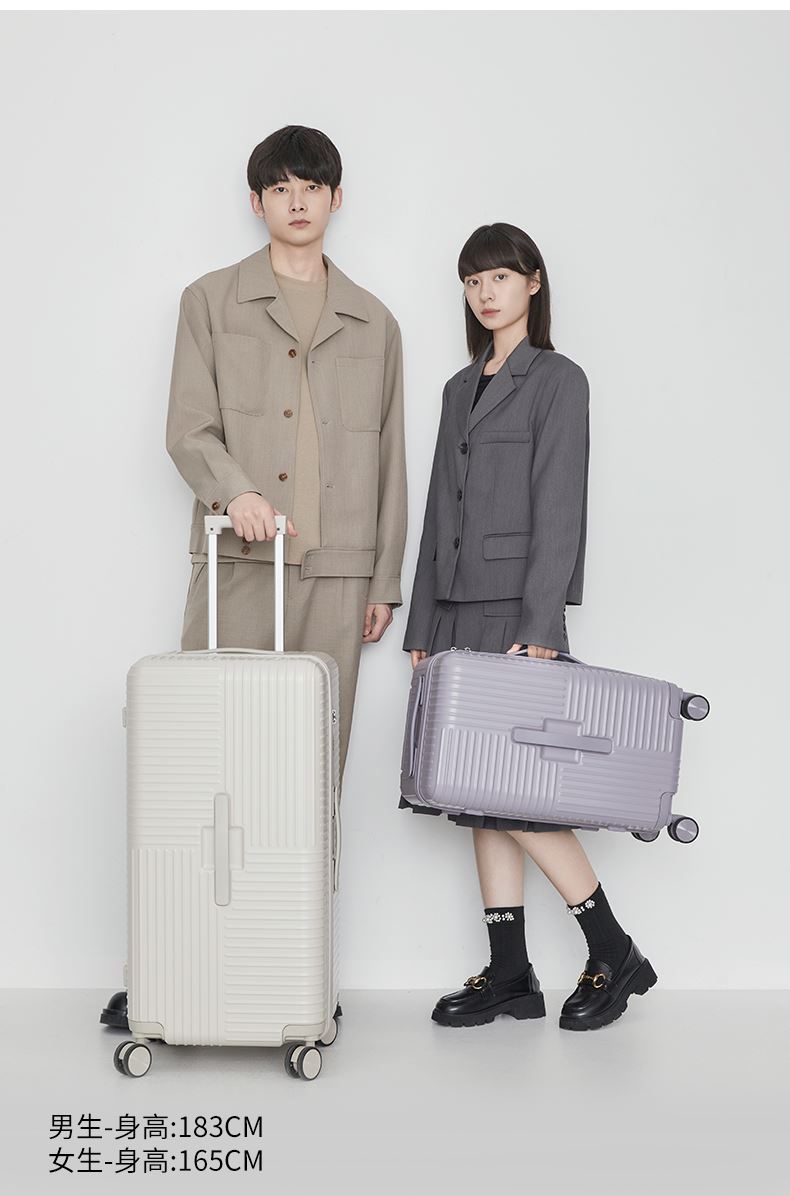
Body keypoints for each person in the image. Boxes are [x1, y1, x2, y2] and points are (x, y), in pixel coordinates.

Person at [100, 125, 407, 1032]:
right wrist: (235, 492)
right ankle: (169, 970)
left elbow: (392, 461)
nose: (297, 201)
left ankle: (294, 971)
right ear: (257, 202)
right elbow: (187, 427)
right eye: (280, 188)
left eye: (312, 186)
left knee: (310, 779)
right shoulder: (210, 301)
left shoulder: (376, 321)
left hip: (340, 576)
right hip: (238, 566)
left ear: (338, 199)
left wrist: (384, 579)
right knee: (204, 768)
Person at [400, 222, 656, 1032]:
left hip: (519, 613)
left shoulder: (558, 380)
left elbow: (560, 506)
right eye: (473, 280)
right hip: (456, 614)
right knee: (481, 797)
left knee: (522, 799)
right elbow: (439, 511)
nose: (486, 292)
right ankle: (511, 974)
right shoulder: (457, 388)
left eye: (501, 277)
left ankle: (613, 949)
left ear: (533, 283)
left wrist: (543, 621)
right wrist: (423, 623)